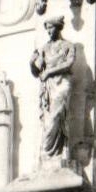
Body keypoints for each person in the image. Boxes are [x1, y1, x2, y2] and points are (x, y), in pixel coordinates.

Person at [29, 17, 76, 162]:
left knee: (58, 114)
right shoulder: (44, 48)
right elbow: (37, 72)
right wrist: (31, 63)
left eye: (51, 28)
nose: (49, 31)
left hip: (62, 84)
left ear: (58, 27)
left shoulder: (68, 45)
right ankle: (50, 153)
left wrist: (49, 72)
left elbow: (69, 64)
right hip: (49, 86)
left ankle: (53, 151)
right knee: (49, 119)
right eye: (47, 28)